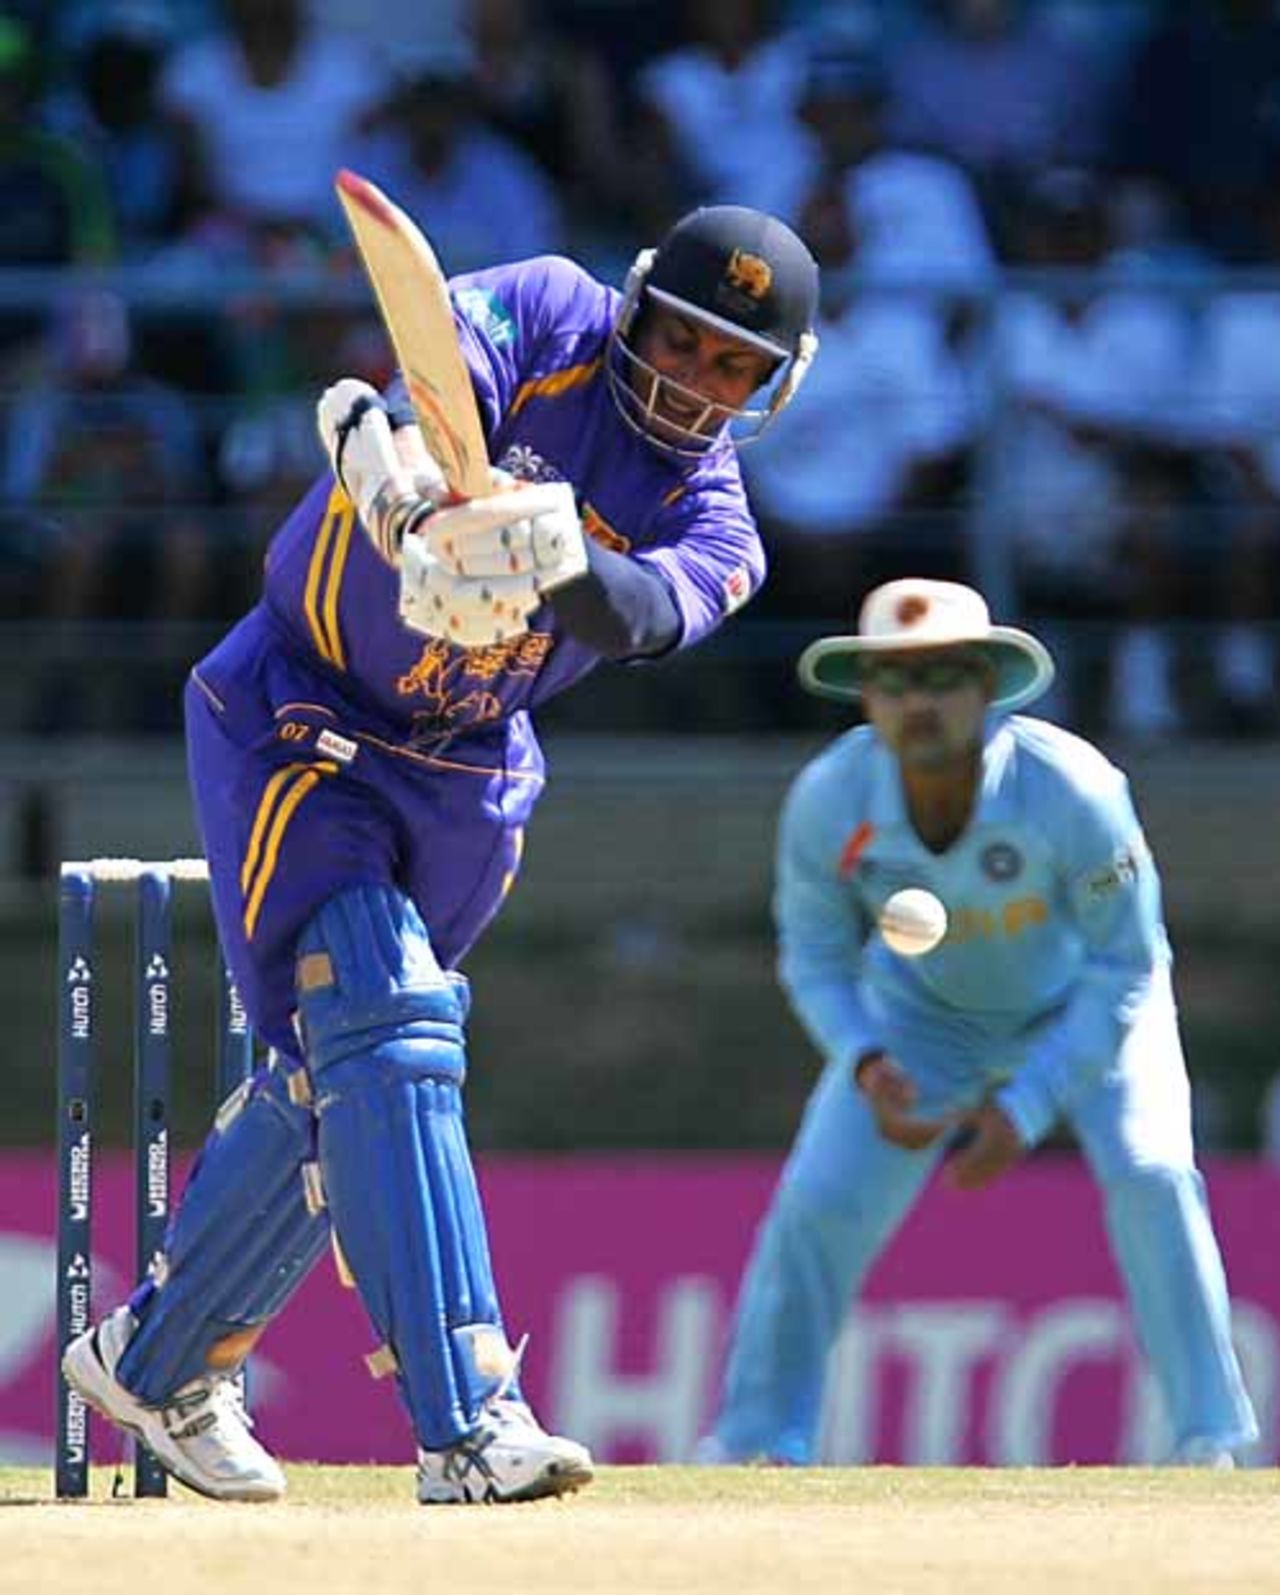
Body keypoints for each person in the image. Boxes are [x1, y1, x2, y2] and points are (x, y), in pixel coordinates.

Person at [62, 200, 820, 1503]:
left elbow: (643, 615)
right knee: (388, 1020)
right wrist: (404, 496)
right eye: (684, 343)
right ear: (635, 310)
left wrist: (550, 551)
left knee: (338, 1075)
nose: (698, 383)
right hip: (302, 713)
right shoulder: (545, 310)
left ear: (771, 386)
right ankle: (467, 1417)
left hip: (469, 774)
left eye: (735, 368)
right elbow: (414, 392)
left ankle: (157, 1355)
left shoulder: (720, 517)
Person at [695, 577, 1259, 1467]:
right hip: (922, 1019)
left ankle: (1211, 1437)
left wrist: (1028, 1105)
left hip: (1086, 1007)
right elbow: (816, 958)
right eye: (894, 680)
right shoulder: (830, 800)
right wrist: (866, 1056)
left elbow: (1128, 963)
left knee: (1153, 1174)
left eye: (944, 677)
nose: (919, 702)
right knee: (815, 1206)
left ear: (988, 686)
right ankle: (757, 1442)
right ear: (866, 693)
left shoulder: (1072, 787)